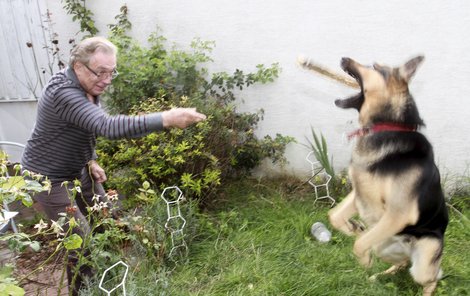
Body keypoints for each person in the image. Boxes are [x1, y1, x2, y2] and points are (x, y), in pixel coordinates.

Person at [20, 36, 206, 295]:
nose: (107, 79)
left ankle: (107, 284)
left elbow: (87, 128)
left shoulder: (89, 88)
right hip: (47, 177)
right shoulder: (62, 93)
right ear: (78, 67)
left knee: (105, 222)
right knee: (80, 245)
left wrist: (91, 158)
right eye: (101, 72)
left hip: (79, 169)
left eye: (111, 72)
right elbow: (107, 126)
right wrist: (166, 118)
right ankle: (82, 292)